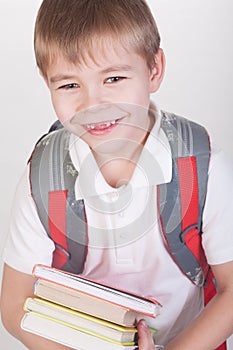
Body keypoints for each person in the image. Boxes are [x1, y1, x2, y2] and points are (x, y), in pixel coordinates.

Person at [1, 0, 233, 349]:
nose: (93, 104)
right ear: (46, 82)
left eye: (114, 78)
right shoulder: (42, 178)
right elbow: (14, 305)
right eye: (69, 86)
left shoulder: (203, 166)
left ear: (154, 69)